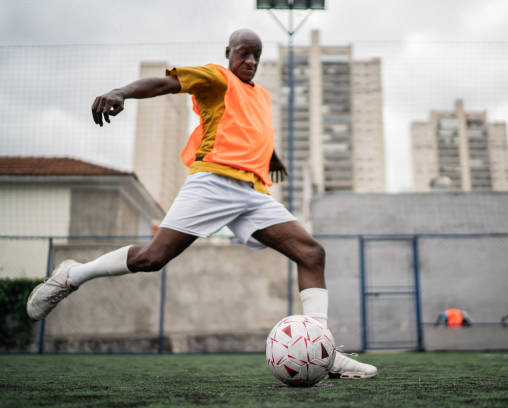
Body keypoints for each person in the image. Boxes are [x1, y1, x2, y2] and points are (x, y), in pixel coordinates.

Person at [27, 28, 377, 379]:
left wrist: (271, 156)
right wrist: (120, 92)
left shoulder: (262, 96)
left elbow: (250, 128)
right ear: (229, 52)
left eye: (257, 55)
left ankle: (322, 350)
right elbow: (164, 84)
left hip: (252, 192)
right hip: (212, 182)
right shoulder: (216, 77)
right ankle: (72, 275)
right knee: (153, 258)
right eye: (244, 53)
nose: (250, 61)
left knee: (311, 253)